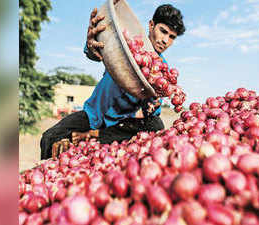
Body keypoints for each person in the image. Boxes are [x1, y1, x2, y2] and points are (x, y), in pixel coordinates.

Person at [40, 2, 186, 159]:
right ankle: (86, 140)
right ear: (151, 25)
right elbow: (96, 51)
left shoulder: (162, 71)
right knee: (49, 138)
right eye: (163, 31)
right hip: (93, 114)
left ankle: (93, 136)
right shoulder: (128, 46)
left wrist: (152, 104)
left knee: (156, 125)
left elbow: (151, 113)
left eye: (171, 37)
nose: (165, 40)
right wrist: (91, 45)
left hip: (120, 123)